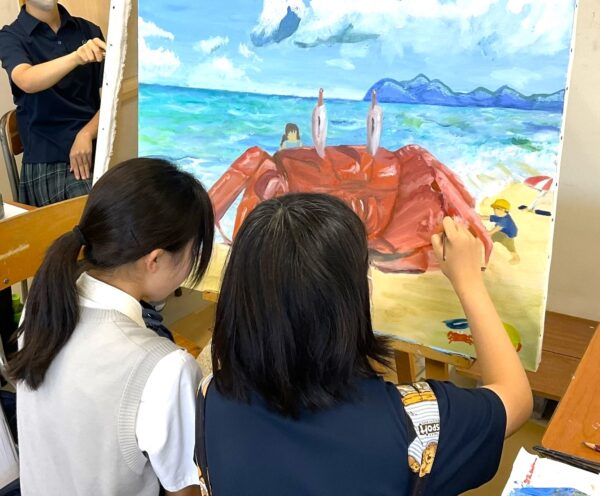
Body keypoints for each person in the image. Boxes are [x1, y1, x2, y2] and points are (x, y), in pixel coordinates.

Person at [199, 193, 532, 495]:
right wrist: (470, 281)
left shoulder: (210, 396)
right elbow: (514, 398)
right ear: (359, 295)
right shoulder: (418, 424)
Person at [9, 158, 214, 496]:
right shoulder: (166, 369)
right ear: (155, 259)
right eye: (194, 252)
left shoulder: (43, 305)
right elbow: (185, 490)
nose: (193, 263)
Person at [0, 0, 106, 206]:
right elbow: (26, 79)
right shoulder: (11, 36)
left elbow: (114, 96)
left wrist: (86, 134)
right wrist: (77, 57)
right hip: (49, 161)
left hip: (96, 147)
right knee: (98, 210)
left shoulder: (89, 30)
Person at [482, 198, 520, 264]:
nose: (495, 210)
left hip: (507, 236)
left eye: (497, 208)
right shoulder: (500, 216)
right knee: (509, 247)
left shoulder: (504, 220)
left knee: (510, 247)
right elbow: (488, 217)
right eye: (494, 208)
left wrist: (485, 232)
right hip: (502, 233)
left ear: (504, 210)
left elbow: (493, 231)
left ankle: (516, 258)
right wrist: (477, 216)